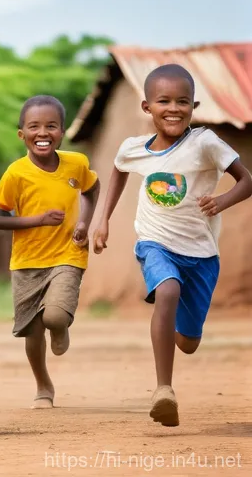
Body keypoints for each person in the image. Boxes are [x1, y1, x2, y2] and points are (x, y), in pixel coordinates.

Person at [93, 64, 252, 427]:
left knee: (189, 342)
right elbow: (117, 170)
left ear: (194, 106)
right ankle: (164, 389)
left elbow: (246, 180)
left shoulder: (205, 143)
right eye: (164, 101)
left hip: (201, 254)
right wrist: (103, 219)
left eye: (183, 101)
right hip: (155, 243)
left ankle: (179, 331)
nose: (174, 108)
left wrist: (221, 201)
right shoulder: (134, 148)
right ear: (147, 107)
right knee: (166, 291)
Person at [0, 95, 100, 410]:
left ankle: (60, 325)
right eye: (34, 126)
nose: (43, 133)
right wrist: (38, 220)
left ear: (62, 131)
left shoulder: (76, 163)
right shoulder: (15, 173)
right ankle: (43, 385)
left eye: (51, 126)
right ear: (21, 134)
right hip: (26, 262)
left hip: (68, 253)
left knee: (52, 316)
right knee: (32, 331)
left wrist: (83, 222)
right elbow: (1, 219)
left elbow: (92, 189)